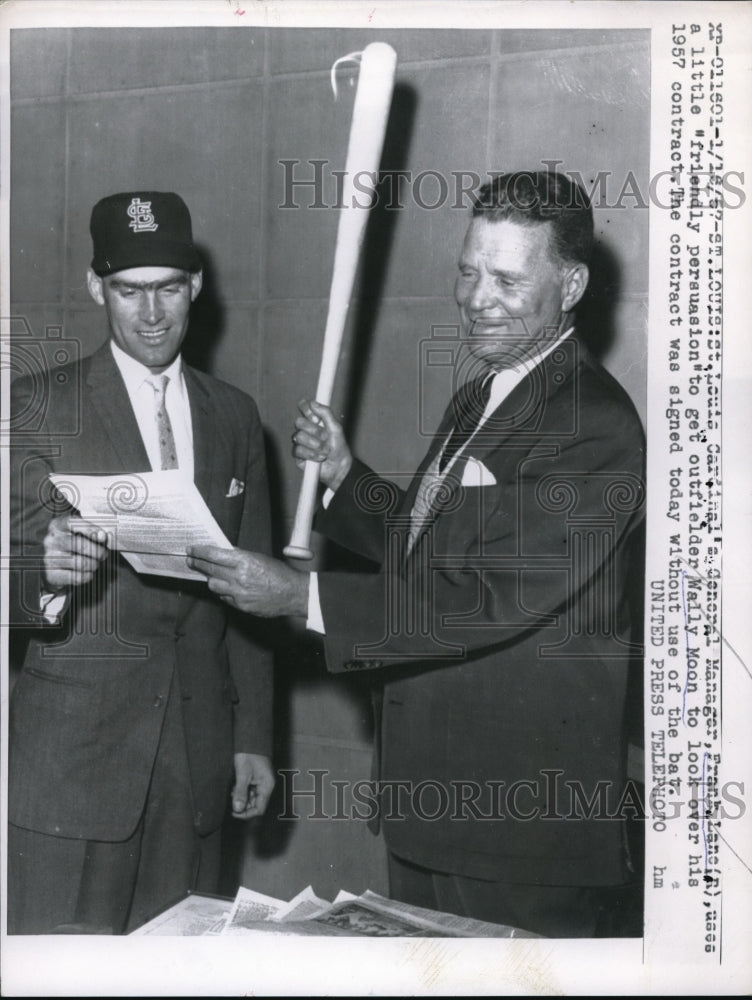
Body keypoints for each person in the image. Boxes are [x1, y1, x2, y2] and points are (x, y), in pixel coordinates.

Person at [189, 171, 646, 938]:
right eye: (467, 270)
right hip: (432, 810)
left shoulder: (592, 425)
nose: (474, 297)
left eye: (505, 278)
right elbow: (439, 542)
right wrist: (345, 479)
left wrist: (305, 598)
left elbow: (486, 594)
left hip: (517, 833)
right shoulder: (485, 393)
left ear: (570, 285)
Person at [8, 191, 275, 934]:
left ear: (197, 286)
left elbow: (250, 588)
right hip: (73, 768)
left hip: (196, 764)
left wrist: (253, 733)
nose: (151, 313)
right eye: (128, 291)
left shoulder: (235, 414)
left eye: (167, 288)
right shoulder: (36, 405)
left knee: (179, 969)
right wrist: (40, 575)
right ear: (98, 288)